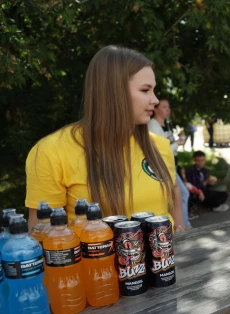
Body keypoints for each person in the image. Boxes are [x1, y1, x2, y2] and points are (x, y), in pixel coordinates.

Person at [26, 46, 185, 232]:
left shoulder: (159, 145)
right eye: (145, 90)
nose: (155, 99)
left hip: (165, 259)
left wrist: (180, 236)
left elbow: (173, 193)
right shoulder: (51, 151)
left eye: (154, 90)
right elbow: (41, 233)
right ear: (113, 91)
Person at [148, 98, 191, 230]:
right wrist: (177, 143)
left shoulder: (166, 124)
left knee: (175, 197)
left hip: (173, 165)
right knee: (183, 194)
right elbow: (160, 151)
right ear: (155, 109)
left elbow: (169, 145)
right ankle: (184, 225)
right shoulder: (153, 125)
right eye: (164, 107)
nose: (168, 110)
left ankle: (177, 225)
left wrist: (178, 142)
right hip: (163, 167)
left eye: (168, 107)